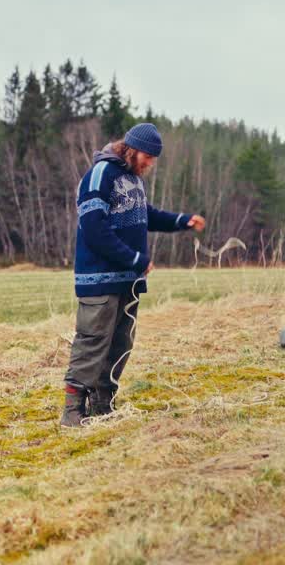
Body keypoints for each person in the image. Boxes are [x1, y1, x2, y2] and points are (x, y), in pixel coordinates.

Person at [61, 122, 205, 427]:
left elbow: (146, 214)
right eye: (148, 156)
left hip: (127, 281)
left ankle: (103, 405)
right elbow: (95, 229)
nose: (150, 163)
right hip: (99, 280)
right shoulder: (100, 175)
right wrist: (135, 259)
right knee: (92, 342)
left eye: (154, 159)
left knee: (120, 343)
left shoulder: (132, 179)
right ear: (131, 149)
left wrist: (182, 221)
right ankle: (72, 411)